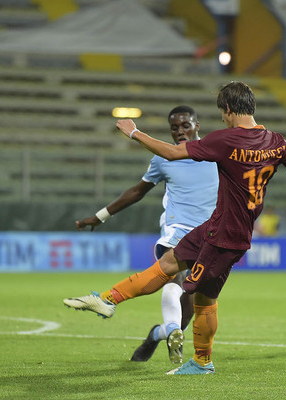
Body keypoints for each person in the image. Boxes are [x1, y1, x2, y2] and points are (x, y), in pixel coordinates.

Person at [64, 81, 286, 375]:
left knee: (201, 297)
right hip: (221, 228)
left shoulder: (226, 139)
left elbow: (174, 153)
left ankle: (200, 361)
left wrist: (135, 133)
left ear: (228, 110)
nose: (223, 118)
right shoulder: (275, 141)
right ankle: (107, 301)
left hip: (223, 236)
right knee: (170, 267)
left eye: (223, 113)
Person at [75, 105, 218, 364]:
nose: (180, 131)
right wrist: (99, 217)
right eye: (174, 127)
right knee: (174, 278)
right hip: (175, 233)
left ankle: (160, 333)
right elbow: (136, 192)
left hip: (209, 238)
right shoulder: (164, 158)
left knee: (187, 314)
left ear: (197, 126)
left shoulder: (216, 153)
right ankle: (150, 320)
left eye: (186, 125)